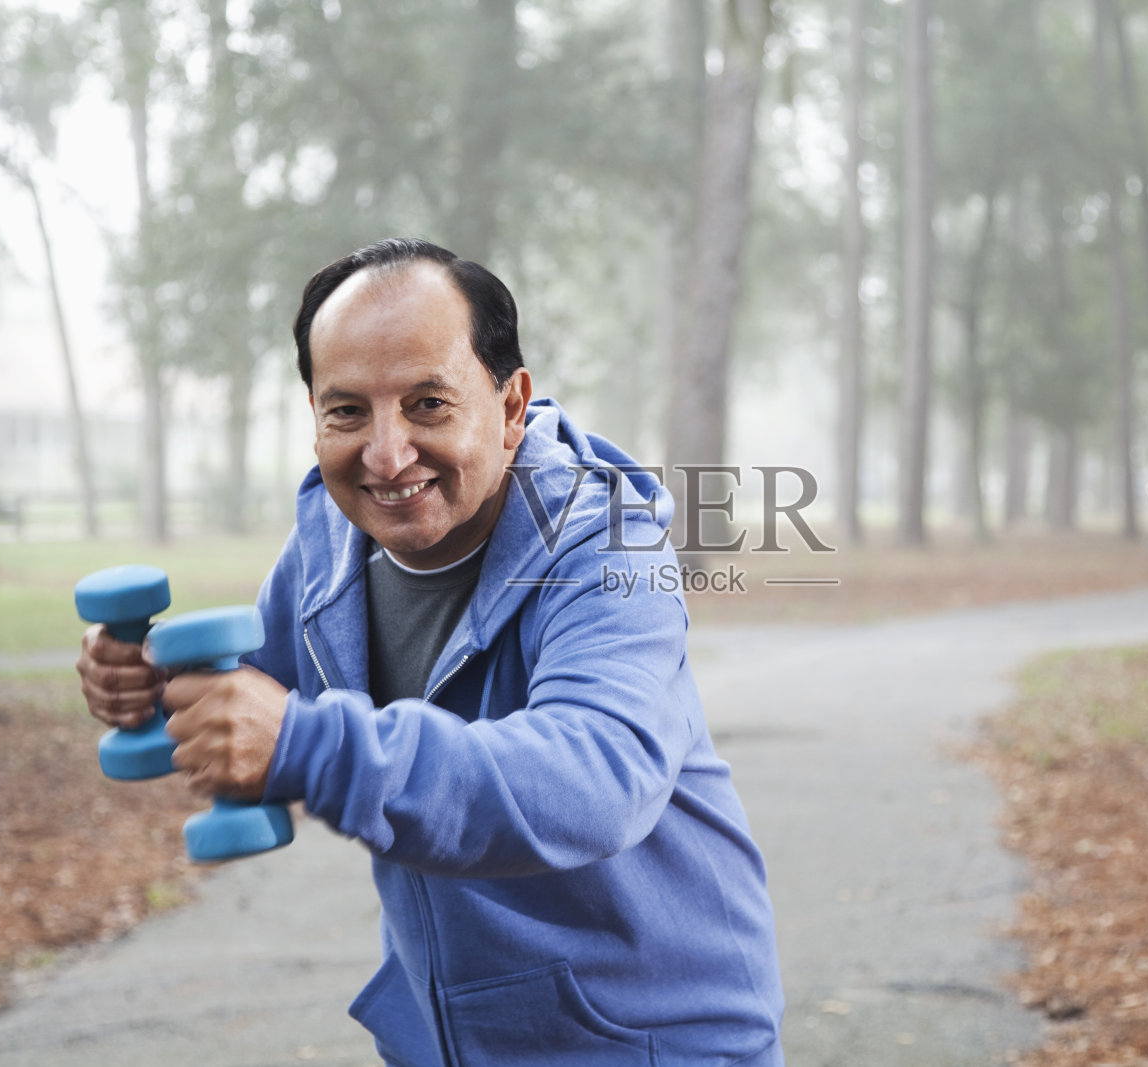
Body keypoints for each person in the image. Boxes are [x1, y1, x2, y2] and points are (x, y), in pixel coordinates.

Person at [77, 237, 786, 1066]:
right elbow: (248, 704)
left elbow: (596, 776)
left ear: (511, 404)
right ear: (314, 418)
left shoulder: (607, 548)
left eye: (426, 403)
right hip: (455, 1039)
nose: (386, 454)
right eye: (348, 410)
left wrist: (309, 745)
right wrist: (144, 684)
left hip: (654, 1038)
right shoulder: (327, 548)